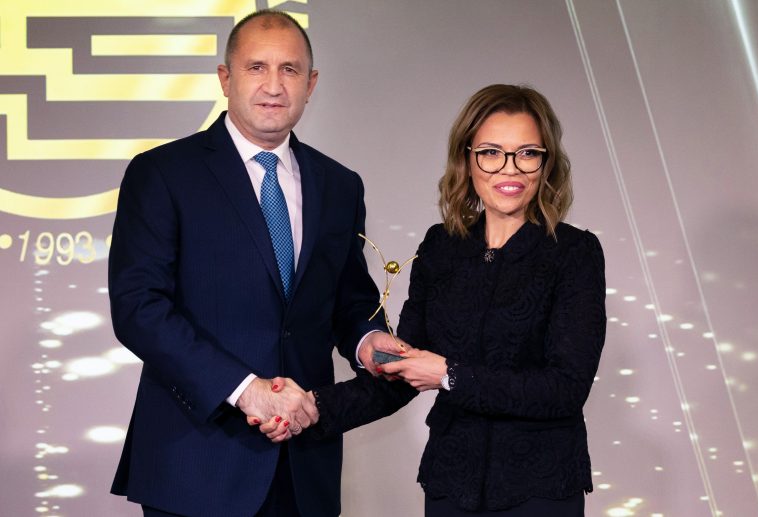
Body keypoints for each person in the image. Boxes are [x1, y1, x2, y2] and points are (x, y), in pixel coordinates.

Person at [262, 84, 607, 516]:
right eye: (491, 152)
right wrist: (312, 408)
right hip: (450, 485)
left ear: (546, 162)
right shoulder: (441, 246)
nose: (510, 169)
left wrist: (449, 375)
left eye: (527, 153)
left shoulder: (574, 253)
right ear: (467, 158)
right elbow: (406, 370)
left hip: (540, 490)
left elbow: (565, 389)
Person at [108, 10, 396, 517]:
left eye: (290, 70)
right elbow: (139, 308)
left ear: (311, 84)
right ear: (225, 78)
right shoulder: (163, 173)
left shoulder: (339, 185)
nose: (274, 85)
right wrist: (245, 391)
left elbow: (349, 300)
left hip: (303, 465)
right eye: (256, 67)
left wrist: (368, 341)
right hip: (197, 462)